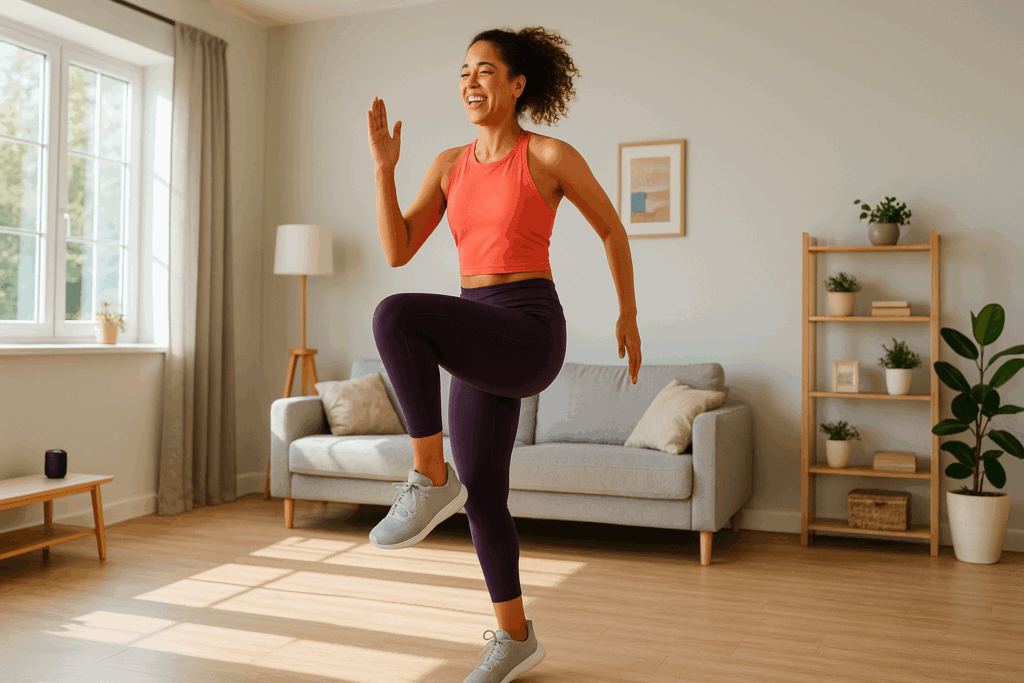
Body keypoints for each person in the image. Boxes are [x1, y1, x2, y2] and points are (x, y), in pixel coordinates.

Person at [366, 26, 641, 683]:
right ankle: (515, 636)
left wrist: (627, 312)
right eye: (464, 71)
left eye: (485, 70)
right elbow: (398, 248)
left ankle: (429, 474)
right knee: (485, 497)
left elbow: (611, 226)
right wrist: (384, 167)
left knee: (395, 314)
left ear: (517, 85)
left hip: (528, 328)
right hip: (474, 331)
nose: (470, 81)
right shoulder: (448, 165)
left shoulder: (546, 155)